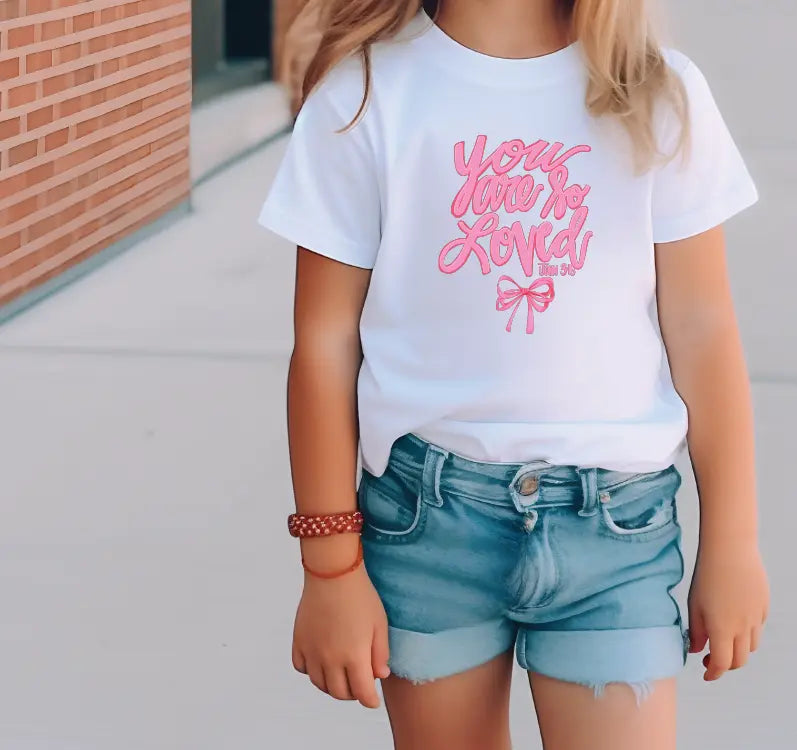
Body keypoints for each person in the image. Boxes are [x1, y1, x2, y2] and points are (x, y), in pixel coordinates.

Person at [259, 1, 769, 748]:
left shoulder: (657, 93)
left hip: (614, 533)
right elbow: (324, 342)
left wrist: (734, 542)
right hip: (428, 528)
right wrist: (330, 569)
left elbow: (704, 330)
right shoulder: (365, 93)